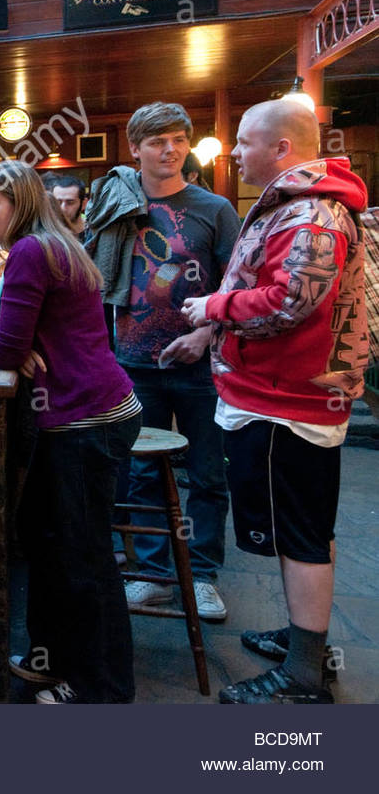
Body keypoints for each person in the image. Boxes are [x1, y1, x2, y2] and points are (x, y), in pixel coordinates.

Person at [181, 100, 369, 704]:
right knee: (303, 529)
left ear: (282, 148)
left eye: (242, 141)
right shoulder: (305, 203)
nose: (233, 152)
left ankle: (302, 677)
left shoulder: (311, 213)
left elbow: (291, 303)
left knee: (301, 535)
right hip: (284, 396)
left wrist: (212, 309)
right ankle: (305, 642)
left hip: (287, 400)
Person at [0, 160, 141, 704]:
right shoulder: (53, 242)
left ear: (19, 205)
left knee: (85, 558)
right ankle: (52, 660)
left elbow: (5, 347)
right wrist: (16, 342)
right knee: (50, 542)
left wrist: (7, 345)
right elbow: (20, 338)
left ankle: (104, 688)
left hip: (84, 418)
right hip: (95, 407)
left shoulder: (30, 251)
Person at [91, 103, 240, 621]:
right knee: (141, 471)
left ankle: (201, 575)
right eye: (157, 141)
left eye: (178, 139)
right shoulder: (116, 205)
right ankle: (153, 574)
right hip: (132, 360)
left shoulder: (214, 208)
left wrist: (205, 332)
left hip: (201, 361)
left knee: (207, 473)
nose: (170, 150)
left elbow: (239, 283)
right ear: (135, 148)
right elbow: (97, 276)